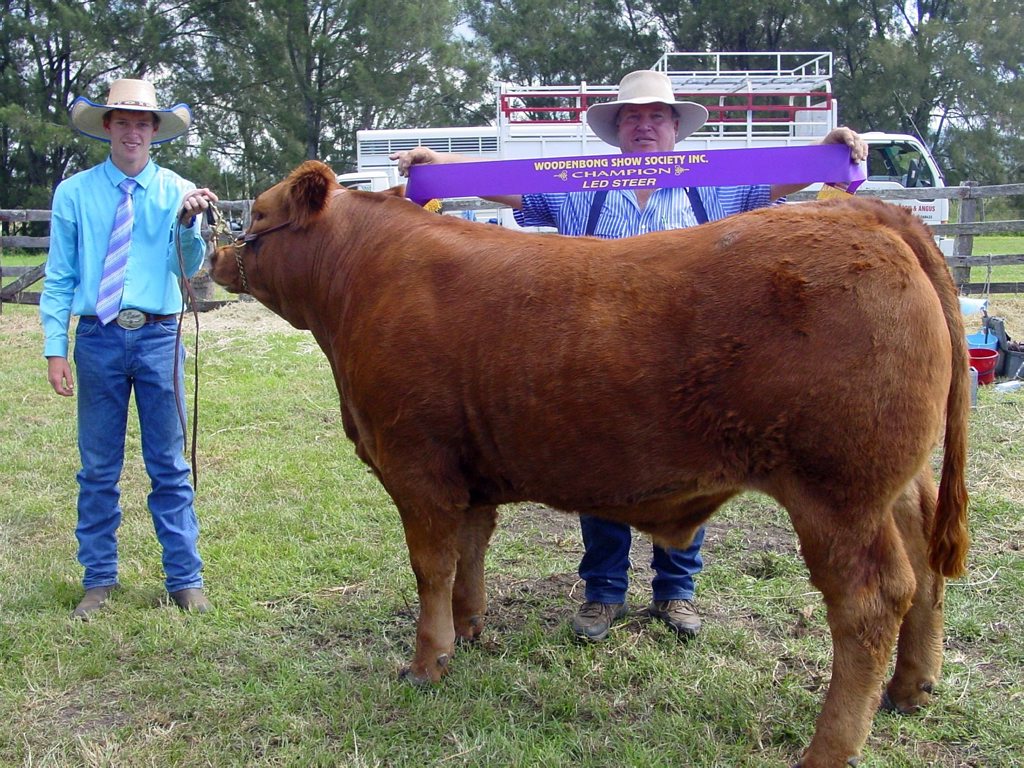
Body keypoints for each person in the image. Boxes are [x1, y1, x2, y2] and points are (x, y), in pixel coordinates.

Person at [392, 69, 867, 642]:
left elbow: (779, 181)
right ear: (617, 130)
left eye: (656, 116)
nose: (645, 126)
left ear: (676, 128)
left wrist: (827, 153)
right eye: (633, 117)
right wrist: (439, 167)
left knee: (693, 473)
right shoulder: (580, 185)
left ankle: (676, 591)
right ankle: (603, 592)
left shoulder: (713, 186)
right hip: (601, 363)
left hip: (687, 365)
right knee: (598, 471)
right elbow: (508, 187)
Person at [40, 78, 218, 619]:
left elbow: (188, 267)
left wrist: (188, 225)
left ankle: (185, 578)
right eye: (123, 121)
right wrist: (55, 347)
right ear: (107, 127)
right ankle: (98, 579)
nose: (133, 132)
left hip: (159, 335)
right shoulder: (74, 193)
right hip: (98, 337)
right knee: (98, 467)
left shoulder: (177, 191)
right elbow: (60, 275)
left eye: (143, 123)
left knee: (168, 463)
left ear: (155, 131)